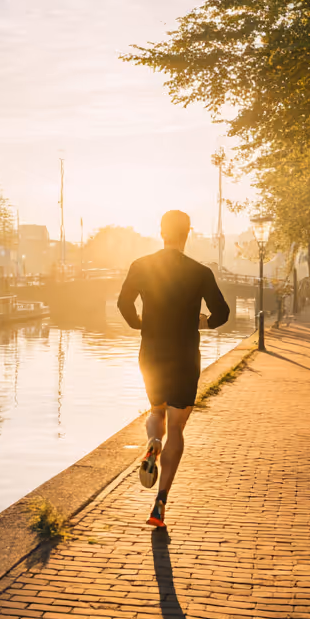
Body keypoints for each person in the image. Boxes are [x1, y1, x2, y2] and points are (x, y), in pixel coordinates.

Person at [117, 210, 231, 528]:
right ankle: (160, 504)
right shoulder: (200, 272)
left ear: (161, 231)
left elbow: (123, 303)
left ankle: (152, 443)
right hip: (184, 355)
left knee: (157, 412)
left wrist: (140, 324)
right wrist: (203, 322)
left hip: (151, 350)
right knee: (177, 428)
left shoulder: (141, 265)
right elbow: (223, 312)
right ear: (188, 234)